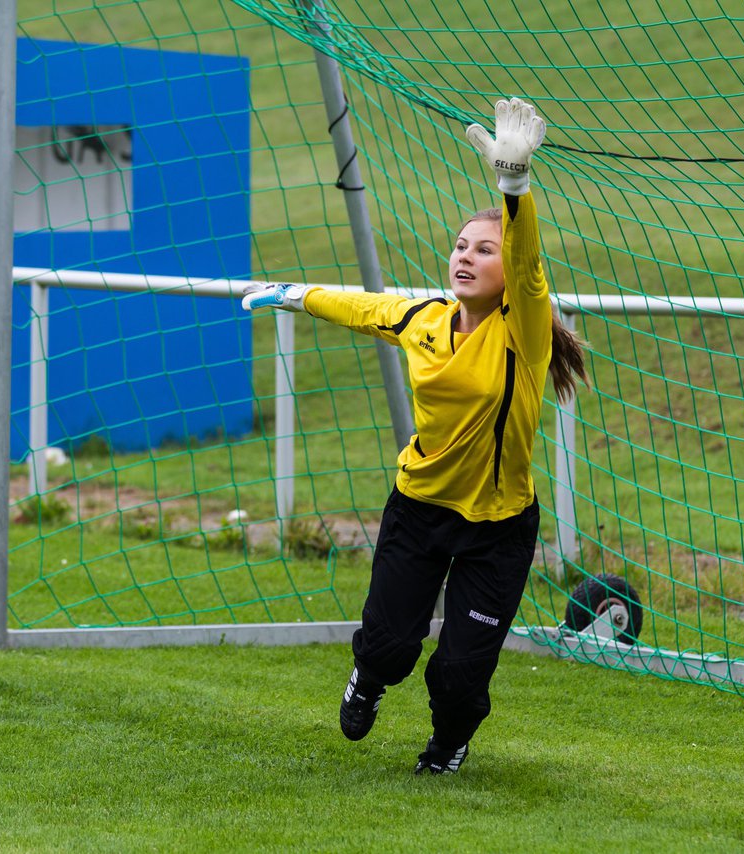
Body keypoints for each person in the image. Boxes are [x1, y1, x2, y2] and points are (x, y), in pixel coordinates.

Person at [242, 97, 587, 774]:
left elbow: (527, 263)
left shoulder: (521, 331)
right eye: (461, 245)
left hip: (498, 527)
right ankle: (366, 680)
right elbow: (365, 307)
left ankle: (447, 746)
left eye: (483, 250)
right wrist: (292, 293)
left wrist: (513, 188)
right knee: (390, 647)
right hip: (419, 508)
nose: (466, 256)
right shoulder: (425, 317)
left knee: (459, 673)